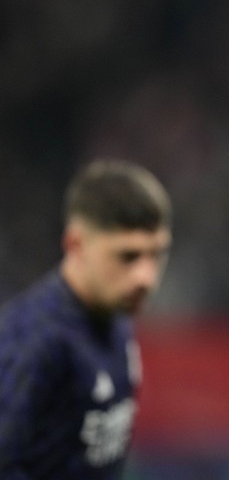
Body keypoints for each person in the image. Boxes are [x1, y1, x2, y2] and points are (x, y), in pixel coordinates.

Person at [0, 159, 173, 479]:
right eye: (128, 256)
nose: (146, 278)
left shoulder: (115, 315)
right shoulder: (35, 342)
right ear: (75, 244)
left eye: (156, 254)